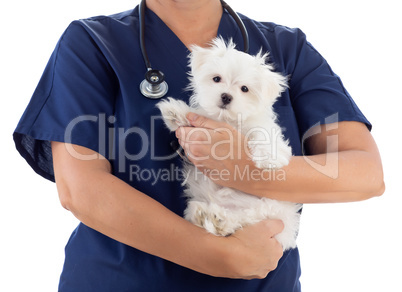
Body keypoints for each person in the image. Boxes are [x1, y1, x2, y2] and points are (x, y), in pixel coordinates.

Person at [13, 0, 385, 291]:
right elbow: (81, 189)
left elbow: (365, 174)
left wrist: (244, 168)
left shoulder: (286, 49)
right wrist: (217, 255)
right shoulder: (92, 43)